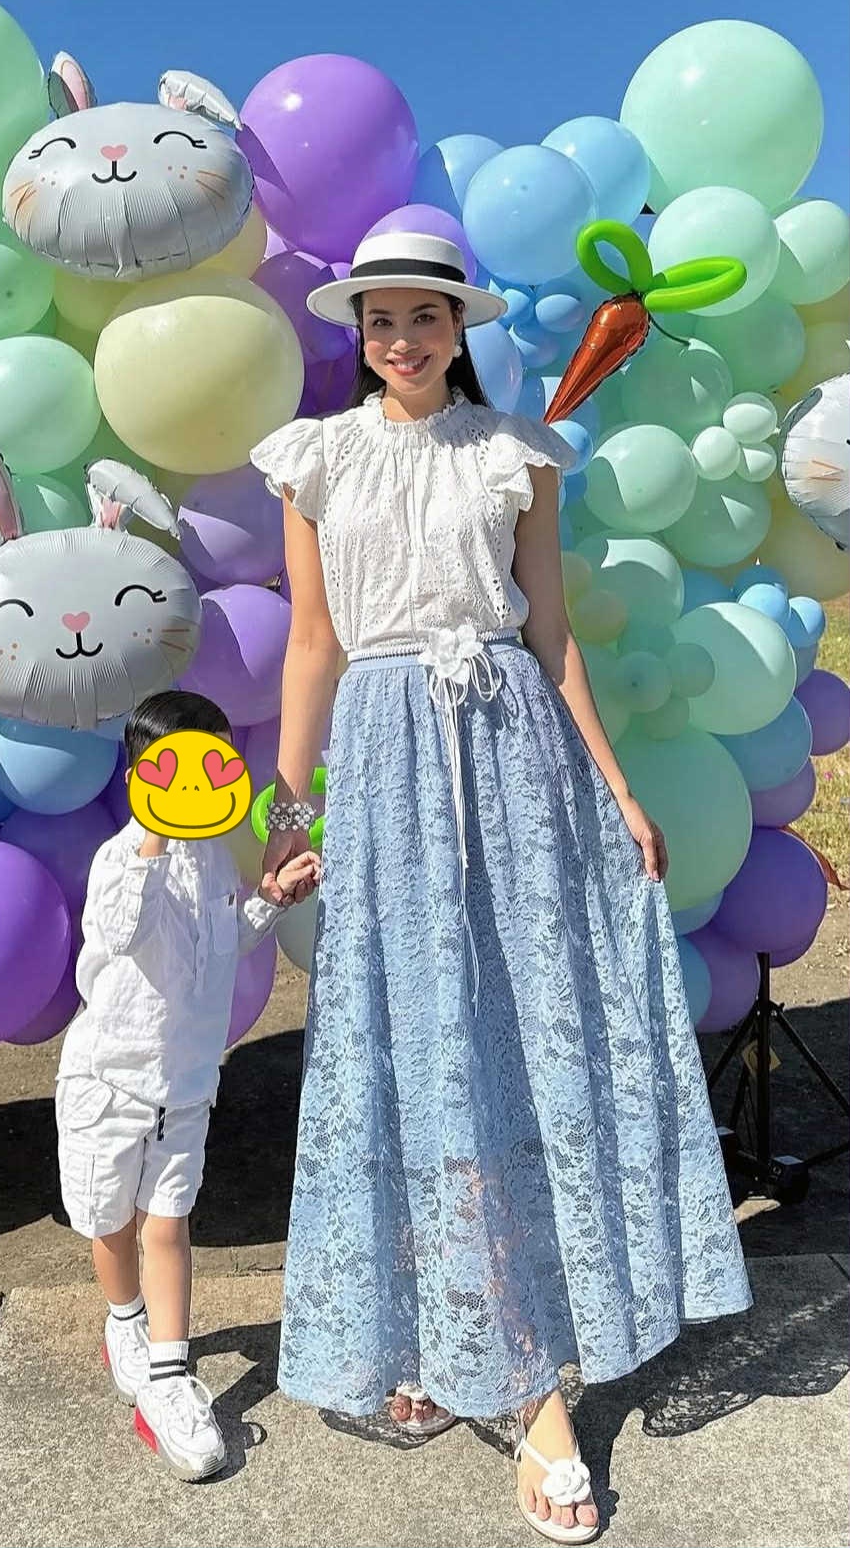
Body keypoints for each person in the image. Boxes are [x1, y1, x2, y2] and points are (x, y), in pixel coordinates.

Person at [251, 230, 751, 1544]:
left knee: (525, 1039)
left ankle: (523, 1367)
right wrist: (288, 807)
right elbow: (311, 643)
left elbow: (551, 633)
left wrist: (616, 787)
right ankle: (476, 1349)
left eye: (423, 315)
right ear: (358, 332)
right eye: (379, 319)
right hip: (384, 755)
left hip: (515, 753)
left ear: (458, 325)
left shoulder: (515, 455)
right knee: (418, 1046)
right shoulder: (313, 458)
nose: (401, 339)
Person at [56, 689, 320, 1482]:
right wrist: (152, 833)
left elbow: (219, 945)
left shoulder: (213, 860)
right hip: (110, 1081)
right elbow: (122, 930)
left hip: (187, 1083)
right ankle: (124, 1320)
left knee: (169, 1223)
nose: (200, 785)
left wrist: (269, 902)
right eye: (177, 771)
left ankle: (168, 1381)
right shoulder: (119, 858)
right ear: (140, 778)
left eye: (216, 764)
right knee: (111, 1223)